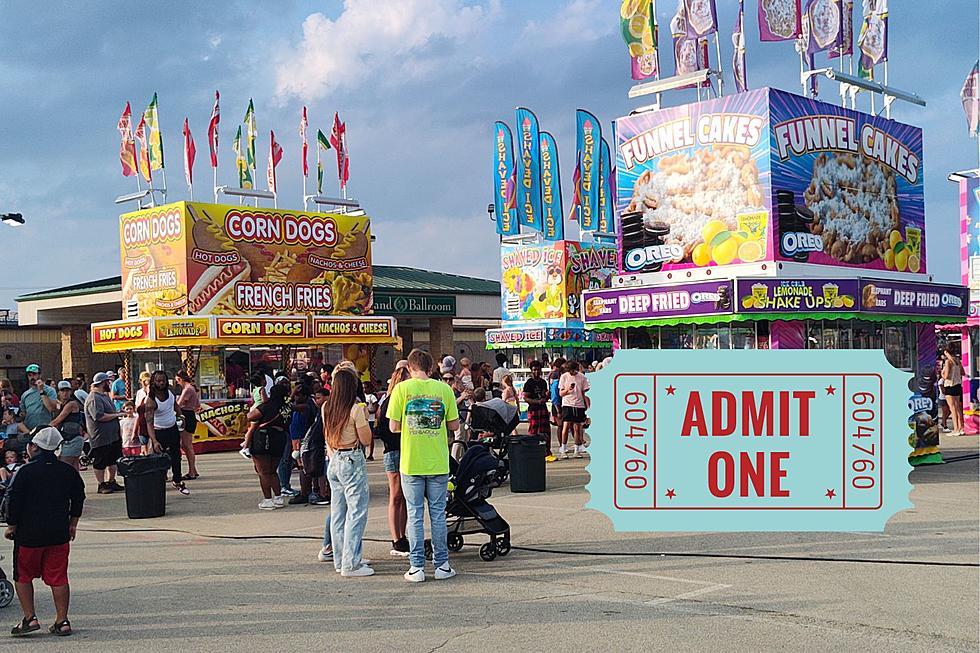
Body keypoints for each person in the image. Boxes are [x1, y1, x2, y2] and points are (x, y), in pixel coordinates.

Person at [4, 427, 85, 637]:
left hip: (28, 535)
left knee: (23, 576)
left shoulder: (25, 471)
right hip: (59, 533)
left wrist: (11, 525)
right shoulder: (67, 471)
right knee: (58, 577)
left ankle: (30, 618)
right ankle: (62, 620)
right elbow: (79, 497)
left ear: (34, 447)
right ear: (56, 448)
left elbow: (13, 500)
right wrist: (73, 522)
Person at [388, 348, 459, 583]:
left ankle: (417, 567)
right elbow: (454, 425)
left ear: (409, 368)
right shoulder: (444, 389)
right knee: (438, 515)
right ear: (431, 368)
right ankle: (442, 565)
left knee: (415, 515)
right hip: (438, 461)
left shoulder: (401, 389)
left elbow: (393, 427)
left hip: (411, 462)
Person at [323, 368, 374, 577]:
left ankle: (341, 559)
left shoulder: (327, 407)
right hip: (351, 459)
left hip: (334, 459)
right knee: (357, 512)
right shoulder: (355, 410)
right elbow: (367, 439)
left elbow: (325, 434)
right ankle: (351, 563)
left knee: (338, 513)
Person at [376, 366, 410, 557]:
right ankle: (396, 538)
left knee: (405, 496)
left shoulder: (406, 400)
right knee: (396, 495)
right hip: (394, 451)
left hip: (406, 450)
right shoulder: (390, 401)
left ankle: (402, 535)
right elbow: (382, 430)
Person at [241, 382, 289, 510]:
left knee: (263, 472)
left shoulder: (267, 406)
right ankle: (278, 497)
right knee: (273, 470)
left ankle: (268, 500)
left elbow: (250, 416)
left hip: (264, 439)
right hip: (280, 439)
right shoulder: (287, 407)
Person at [144, 370, 190, 496]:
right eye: (158, 381)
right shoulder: (151, 401)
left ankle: (177, 480)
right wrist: (154, 441)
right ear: (153, 382)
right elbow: (149, 422)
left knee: (176, 456)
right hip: (159, 431)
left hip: (172, 428)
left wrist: (181, 417)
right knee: (158, 459)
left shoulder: (170, 392)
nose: (162, 383)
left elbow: (175, 406)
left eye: (163, 380)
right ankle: (157, 483)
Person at [83, 373, 125, 494]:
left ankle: (111, 481)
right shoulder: (94, 398)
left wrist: (118, 412)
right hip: (101, 437)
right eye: (108, 382)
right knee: (100, 461)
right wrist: (117, 415)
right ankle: (101, 484)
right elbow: (99, 416)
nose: (109, 384)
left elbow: (109, 412)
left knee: (112, 460)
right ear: (102, 383)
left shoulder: (104, 396)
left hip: (112, 436)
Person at [48, 381, 85, 471]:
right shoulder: (61, 404)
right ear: (59, 392)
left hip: (73, 440)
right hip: (69, 440)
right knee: (74, 467)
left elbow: (58, 420)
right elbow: (51, 406)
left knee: (64, 465)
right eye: (62, 390)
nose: (65, 393)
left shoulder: (71, 404)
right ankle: (76, 484)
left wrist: (43, 428)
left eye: (67, 390)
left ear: (71, 392)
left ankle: (71, 484)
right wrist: (43, 393)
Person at [558, 360, 590, 459]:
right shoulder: (564, 377)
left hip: (579, 405)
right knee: (566, 426)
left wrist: (588, 407)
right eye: (570, 370)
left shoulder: (582, 377)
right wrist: (567, 390)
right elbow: (561, 393)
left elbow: (585, 393)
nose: (572, 373)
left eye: (573, 370)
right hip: (567, 404)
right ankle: (563, 449)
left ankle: (577, 450)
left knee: (578, 428)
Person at [523, 361, 553, 459]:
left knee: (545, 431)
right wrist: (536, 402)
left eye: (538, 370)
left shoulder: (543, 382)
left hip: (543, 408)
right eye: (534, 370)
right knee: (533, 431)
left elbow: (545, 395)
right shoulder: (529, 383)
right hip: (533, 409)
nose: (536, 372)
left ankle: (546, 451)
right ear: (531, 371)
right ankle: (532, 451)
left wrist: (547, 396)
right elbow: (526, 398)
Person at [174, 370, 201, 480]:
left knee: (187, 444)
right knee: (185, 444)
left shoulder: (187, 389)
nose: (177, 383)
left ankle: (191, 472)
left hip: (186, 415)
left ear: (180, 379)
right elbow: (197, 404)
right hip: (190, 414)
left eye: (177, 381)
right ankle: (193, 469)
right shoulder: (191, 388)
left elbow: (179, 404)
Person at [20, 364, 57, 431]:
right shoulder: (25, 394)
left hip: (45, 429)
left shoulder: (50, 390)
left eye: (34, 374)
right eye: (29, 375)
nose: (32, 377)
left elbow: (52, 408)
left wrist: (41, 391)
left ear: (39, 375)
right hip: (30, 429)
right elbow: (23, 413)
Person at [942, 348, 965, 436]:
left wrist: (942, 374)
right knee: (958, 408)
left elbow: (947, 376)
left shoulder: (948, 362)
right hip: (958, 385)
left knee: (952, 408)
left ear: (947, 352)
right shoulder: (958, 361)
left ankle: (956, 429)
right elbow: (962, 372)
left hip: (950, 385)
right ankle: (961, 427)